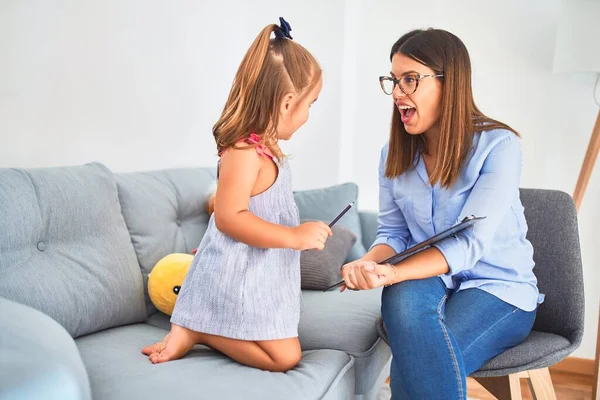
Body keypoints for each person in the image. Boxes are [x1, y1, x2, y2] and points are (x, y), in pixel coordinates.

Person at [340, 28, 543, 399]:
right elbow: (394, 235)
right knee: (398, 298)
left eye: (410, 80)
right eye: (394, 80)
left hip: (498, 289)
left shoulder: (499, 146)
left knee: (415, 367)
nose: (398, 93)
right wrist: (369, 264)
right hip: (429, 279)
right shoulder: (392, 155)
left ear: (450, 84)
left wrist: (395, 271)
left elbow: (470, 243)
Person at [142, 18, 331, 373]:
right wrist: (292, 237)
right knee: (284, 358)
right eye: (311, 104)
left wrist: (300, 229)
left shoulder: (269, 149)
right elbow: (229, 217)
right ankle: (201, 329)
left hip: (262, 273)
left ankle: (203, 326)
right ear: (288, 102)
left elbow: (265, 209)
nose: (308, 115)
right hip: (239, 274)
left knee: (285, 347)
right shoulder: (245, 152)